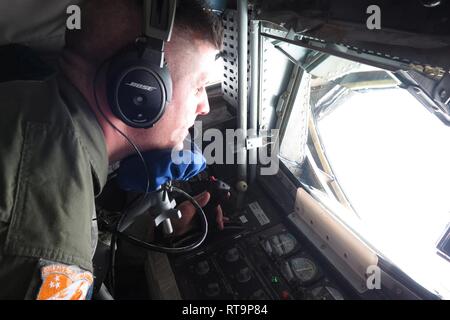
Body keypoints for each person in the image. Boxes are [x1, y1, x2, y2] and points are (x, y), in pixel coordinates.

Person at [0, 0, 224, 299]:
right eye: (198, 87)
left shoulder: (24, 96)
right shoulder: (51, 251)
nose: (205, 107)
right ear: (140, 87)